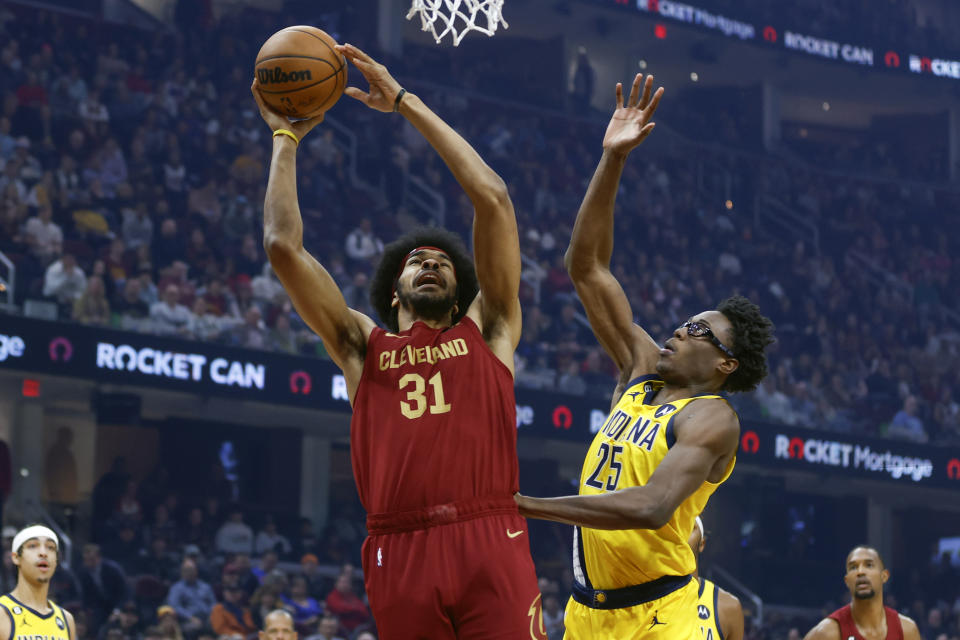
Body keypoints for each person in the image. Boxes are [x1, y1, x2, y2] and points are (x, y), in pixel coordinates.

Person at [252, 43, 544, 639]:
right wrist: (286, 141)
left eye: (442, 261)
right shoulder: (362, 346)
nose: (430, 263)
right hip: (399, 544)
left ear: (462, 288)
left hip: (491, 532)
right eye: (417, 261)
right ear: (394, 293)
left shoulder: (490, 330)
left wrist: (405, 102)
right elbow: (283, 248)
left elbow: (493, 197)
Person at [514, 74, 775, 639]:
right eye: (684, 322)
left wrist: (529, 505)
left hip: (661, 614)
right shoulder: (640, 367)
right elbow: (586, 267)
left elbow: (655, 505)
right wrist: (612, 160)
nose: (679, 331)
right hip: (586, 612)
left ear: (725, 364)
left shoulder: (712, 417)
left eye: (698, 331)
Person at [803, 546, 921, 639]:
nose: (860, 572)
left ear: (884, 576)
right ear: (847, 581)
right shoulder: (827, 632)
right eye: (853, 567)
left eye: (869, 565)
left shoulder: (906, 630)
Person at [0, 525, 77, 640]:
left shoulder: (67, 619)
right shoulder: (2, 613)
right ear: (16, 557)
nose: (43, 553)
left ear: (56, 560)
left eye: (50, 547)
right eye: (33, 546)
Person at [687, 517, 743, 640]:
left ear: (702, 544)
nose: (680, 535)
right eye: (675, 529)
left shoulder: (728, 607)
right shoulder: (643, 599)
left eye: (688, 527)